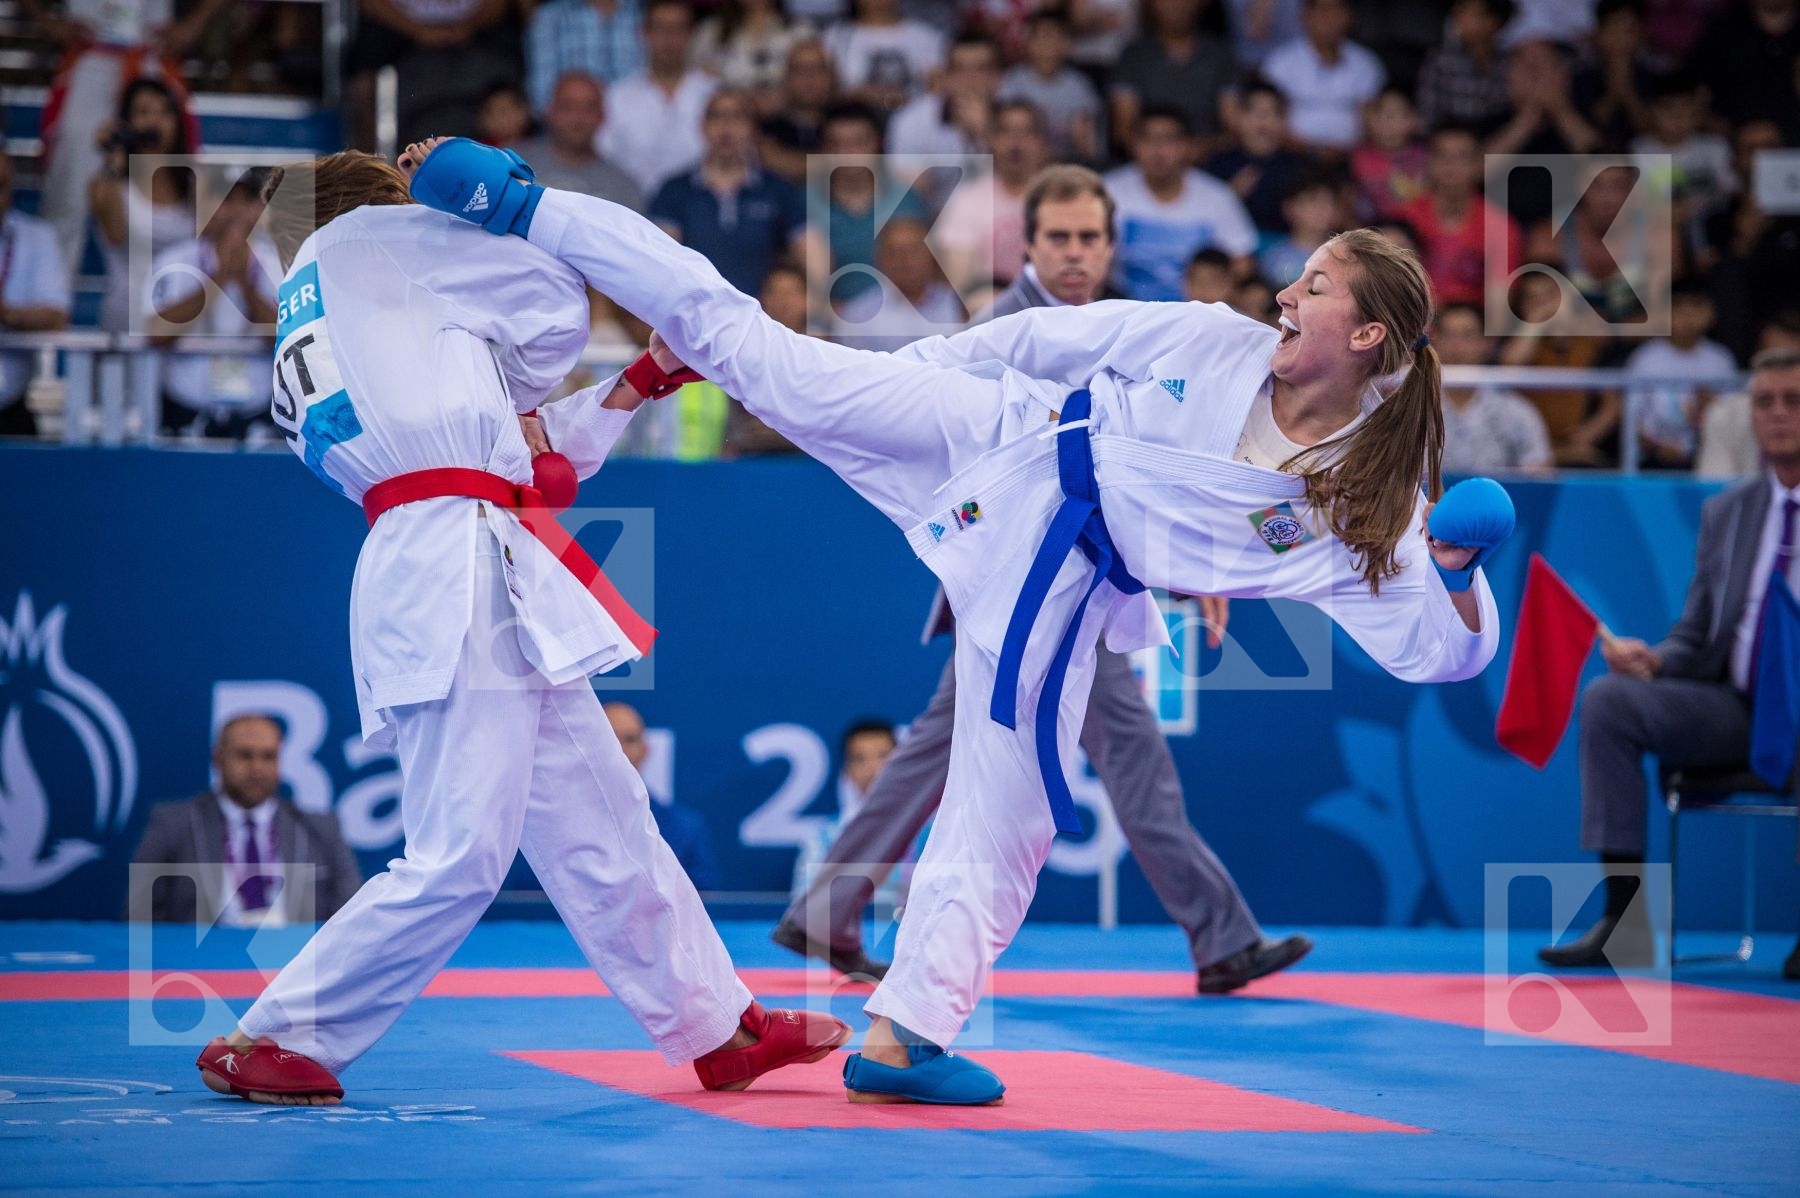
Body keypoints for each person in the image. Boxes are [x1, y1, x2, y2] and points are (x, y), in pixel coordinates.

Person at [413, 136, 1515, 1103]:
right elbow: (1058, 341)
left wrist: (1458, 567)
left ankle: (903, 1036)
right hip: (994, 425)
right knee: (760, 354)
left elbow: (1437, 650)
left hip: (1066, 576)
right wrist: (921, 377)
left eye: (1314, 286)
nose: (1286, 291)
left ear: (1366, 335)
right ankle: (522, 205)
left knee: (1014, 807)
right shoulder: (1216, 340)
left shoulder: (1357, 506)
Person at [190, 149, 850, 1108]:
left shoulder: (339, 323)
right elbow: (551, 296)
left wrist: (634, 385)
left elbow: (517, 460)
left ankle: (719, 1027)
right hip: (456, 564)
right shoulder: (375, 237)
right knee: (460, 852)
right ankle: (273, 1035)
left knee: (609, 827)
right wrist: (482, 189)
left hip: (460, 552)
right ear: (388, 207)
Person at [775, 165, 1315, 995]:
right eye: (1058, 238)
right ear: (1027, 244)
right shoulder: (1003, 328)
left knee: (938, 752)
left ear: (1111, 244)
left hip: (1083, 584)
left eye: (1088, 238)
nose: (1074, 254)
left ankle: (825, 913)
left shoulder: (1138, 323)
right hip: (1028, 582)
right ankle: (1222, 940)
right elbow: (950, 449)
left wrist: (1192, 558)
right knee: (1130, 759)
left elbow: (1160, 459)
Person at [1540, 346, 1800, 983]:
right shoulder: (1729, 512)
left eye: (1793, 401)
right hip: (1735, 709)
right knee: (1611, 700)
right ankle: (1623, 922)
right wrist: (1655, 660)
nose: (1777, 414)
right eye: (1764, 401)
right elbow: (1699, 633)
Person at [127, 715, 364, 926]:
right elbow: (138, 916)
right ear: (218, 758)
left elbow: (351, 916)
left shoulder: (321, 828)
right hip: (202, 965)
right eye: (244, 755)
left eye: (268, 756)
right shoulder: (173, 824)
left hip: (296, 966)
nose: (257, 768)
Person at [146, 176, 280, 442]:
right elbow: (156, 333)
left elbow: (288, 338)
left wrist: (244, 283)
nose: (237, 210)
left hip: (259, 413)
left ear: (262, 209)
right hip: (184, 409)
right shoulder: (174, 259)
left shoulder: (280, 263)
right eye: (227, 199)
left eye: (248, 200)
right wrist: (217, 279)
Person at [649, 88, 808, 298]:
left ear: (754, 129)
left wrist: (817, 306)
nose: (726, 127)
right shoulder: (674, 190)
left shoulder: (778, 189)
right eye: (717, 116)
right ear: (702, 126)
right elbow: (660, 263)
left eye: (737, 117)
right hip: (695, 314)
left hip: (763, 318)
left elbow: (812, 253)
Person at [1104, 106, 1257, 302]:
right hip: (1123, 311)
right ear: (1132, 144)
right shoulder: (1107, 192)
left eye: (1169, 140)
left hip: (1198, 316)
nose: (1158, 150)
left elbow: (1242, 262)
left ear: (1188, 146)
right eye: (1148, 139)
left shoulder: (1217, 196)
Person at [87, 77, 194, 332]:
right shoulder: (106, 182)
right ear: (126, 121)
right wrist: (115, 150)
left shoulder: (194, 183)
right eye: (143, 112)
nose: (155, 122)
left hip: (184, 322)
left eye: (165, 112)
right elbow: (114, 234)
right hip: (127, 321)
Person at [597, 0, 720, 198]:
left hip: (700, 208)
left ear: (690, 35)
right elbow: (605, 158)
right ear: (643, 34)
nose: (669, 38)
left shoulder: (713, 93)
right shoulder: (617, 96)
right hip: (632, 207)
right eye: (661, 28)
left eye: (678, 29)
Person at [1395, 123, 1520, 309]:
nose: (1451, 166)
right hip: (1415, 324)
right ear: (1428, 162)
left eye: (1462, 157)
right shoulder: (1405, 218)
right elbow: (1392, 290)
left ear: (1478, 165)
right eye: (1442, 156)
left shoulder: (1500, 227)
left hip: (1473, 329)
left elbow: (1499, 306)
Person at [935, 100, 1051, 292]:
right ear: (991, 141)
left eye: (1027, 131)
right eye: (1005, 131)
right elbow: (960, 283)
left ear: (1044, 143)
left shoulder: (1064, 200)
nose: (1016, 142)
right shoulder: (967, 199)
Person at [604, 702, 721, 889]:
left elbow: (702, 904)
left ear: (645, 750)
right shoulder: (555, 822)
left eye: (630, 739)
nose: (619, 749)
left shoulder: (685, 828)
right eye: (609, 738)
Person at [1623, 278, 1737, 470]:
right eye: (1678, 308)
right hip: (1654, 459)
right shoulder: (1644, 359)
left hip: (1709, 456)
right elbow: (1633, 420)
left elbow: (1733, 418)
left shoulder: (1721, 360)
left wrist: (1712, 407)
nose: (1688, 316)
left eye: (1696, 307)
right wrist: (1657, 448)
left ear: (1711, 313)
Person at [1433, 301, 1551, 475]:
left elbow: (1539, 474)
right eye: (1448, 336)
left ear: (1486, 343)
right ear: (1434, 343)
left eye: (1468, 336)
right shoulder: (1414, 410)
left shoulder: (1516, 410)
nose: (1457, 346)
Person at [0, 153, 72, 438]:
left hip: (10, 406)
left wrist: (6, 313)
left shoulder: (36, 237)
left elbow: (56, 316)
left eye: (1, 185)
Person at [1107, 0, 1235, 155]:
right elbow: (1123, 129)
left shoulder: (1220, 55)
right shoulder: (1132, 56)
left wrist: (1196, 150)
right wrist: (1160, 154)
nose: (1176, 5)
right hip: (1146, 163)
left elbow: (1232, 126)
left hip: (1209, 160)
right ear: (1151, 4)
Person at [1261, 0, 1385, 153]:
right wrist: (1309, 149)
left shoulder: (1366, 63)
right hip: (1289, 154)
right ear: (1306, 15)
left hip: (1352, 159)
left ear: (1349, 16)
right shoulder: (1279, 63)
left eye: (1337, 9)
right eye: (1323, 10)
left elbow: (1373, 121)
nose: (1330, 17)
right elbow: (1268, 118)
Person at [511, 73, 646, 210]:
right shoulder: (511, 164)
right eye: (568, 107)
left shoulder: (623, 188)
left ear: (603, 115)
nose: (578, 118)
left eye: (589, 108)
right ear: (550, 111)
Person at [1201, 80, 1310, 238]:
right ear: (1237, 117)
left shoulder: (1300, 167)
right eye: (1253, 110)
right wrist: (1230, 196)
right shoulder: (1217, 163)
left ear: (1284, 120)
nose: (1262, 119)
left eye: (1272, 111)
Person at [997, 12, 1102, 164]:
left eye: (1055, 37)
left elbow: (1088, 144)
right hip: (1019, 159)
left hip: (1065, 163)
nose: (1048, 45)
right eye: (1041, 37)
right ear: (1028, 43)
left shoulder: (1079, 85)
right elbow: (1003, 131)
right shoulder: (1012, 80)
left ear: (1067, 44)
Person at [526, 0, 646, 113]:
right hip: (573, 127)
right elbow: (543, 96)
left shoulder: (645, 13)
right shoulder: (551, 17)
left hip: (640, 122)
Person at [1415, 0, 1514, 133]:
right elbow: (1427, 115)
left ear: (1492, 22)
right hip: (1449, 143)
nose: (1457, 17)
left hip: (1499, 144)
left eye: (1466, 12)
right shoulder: (1441, 60)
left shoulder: (1511, 63)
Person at [759, 38, 837, 184]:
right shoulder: (765, 126)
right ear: (786, 77)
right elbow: (770, 161)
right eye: (800, 70)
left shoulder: (848, 120)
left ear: (831, 76)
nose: (809, 78)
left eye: (818, 69)